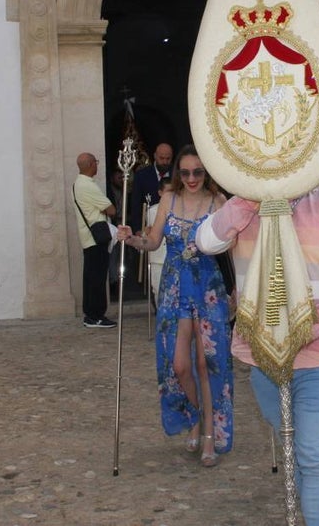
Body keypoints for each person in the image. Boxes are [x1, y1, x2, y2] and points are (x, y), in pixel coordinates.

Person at [196, 187, 319, 526]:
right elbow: (207, 240)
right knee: (293, 452)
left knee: (317, 455)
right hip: (264, 361)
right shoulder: (244, 208)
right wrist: (247, 200)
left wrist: (307, 326)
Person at [117, 146, 234, 466]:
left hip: (208, 288)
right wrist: (132, 238)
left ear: (206, 172)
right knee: (179, 364)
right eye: (185, 172)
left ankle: (209, 431)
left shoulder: (219, 202)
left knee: (206, 365)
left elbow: (232, 246)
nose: (192, 178)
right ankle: (195, 416)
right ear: (177, 175)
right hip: (173, 288)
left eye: (198, 172)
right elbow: (153, 241)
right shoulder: (168, 198)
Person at [73, 152, 118, 329]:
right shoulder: (88, 186)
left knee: (91, 277)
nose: (97, 165)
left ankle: (90, 314)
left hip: (88, 237)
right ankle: (96, 315)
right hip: (96, 237)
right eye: (96, 162)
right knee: (98, 278)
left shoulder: (77, 184)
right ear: (91, 164)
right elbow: (111, 209)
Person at [131, 142, 174, 229]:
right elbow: (136, 204)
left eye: (168, 158)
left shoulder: (177, 175)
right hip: (149, 226)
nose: (165, 162)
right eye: (161, 158)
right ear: (155, 156)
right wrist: (138, 229)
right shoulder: (142, 176)